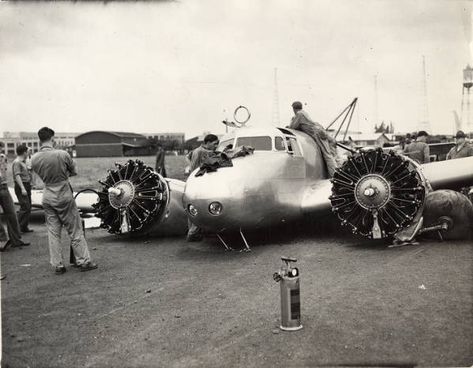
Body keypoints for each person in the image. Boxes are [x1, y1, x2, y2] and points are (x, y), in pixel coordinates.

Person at [31, 127, 97, 274]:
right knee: (75, 229)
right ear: (52, 138)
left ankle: (58, 265)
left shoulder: (34, 158)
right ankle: (83, 261)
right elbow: (74, 171)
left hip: (47, 194)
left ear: (39, 139)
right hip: (63, 193)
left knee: (53, 232)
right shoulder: (62, 154)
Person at [287, 101, 338, 177]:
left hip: (317, 133)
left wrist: (289, 125)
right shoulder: (304, 113)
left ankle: (335, 176)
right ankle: (335, 174)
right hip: (319, 132)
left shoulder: (299, 114)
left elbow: (293, 127)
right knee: (328, 154)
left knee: (327, 155)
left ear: (294, 109)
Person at [186, 134, 219, 242]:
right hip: (198, 184)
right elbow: (193, 169)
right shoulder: (198, 152)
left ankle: (198, 231)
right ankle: (192, 233)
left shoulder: (207, 151)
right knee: (196, 207)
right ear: (208, 142)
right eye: (214, 144)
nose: (216, 146)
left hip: (206, 184)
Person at [0, 153, 30, 252]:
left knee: (12, 214)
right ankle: (2, 239)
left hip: (3, 187)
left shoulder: (3, 157)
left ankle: (16, 240)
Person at [12, 144, 33, 233]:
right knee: (25, 207)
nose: (28, 152)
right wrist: (23, 188)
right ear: (24, 152)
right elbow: (17, 176)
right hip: (21, 186)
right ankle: (17, 228)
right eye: (27, 151)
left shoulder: (23, 162)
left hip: (26, 185)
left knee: (28, 206)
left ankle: (24, 227)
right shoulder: (17, 162)